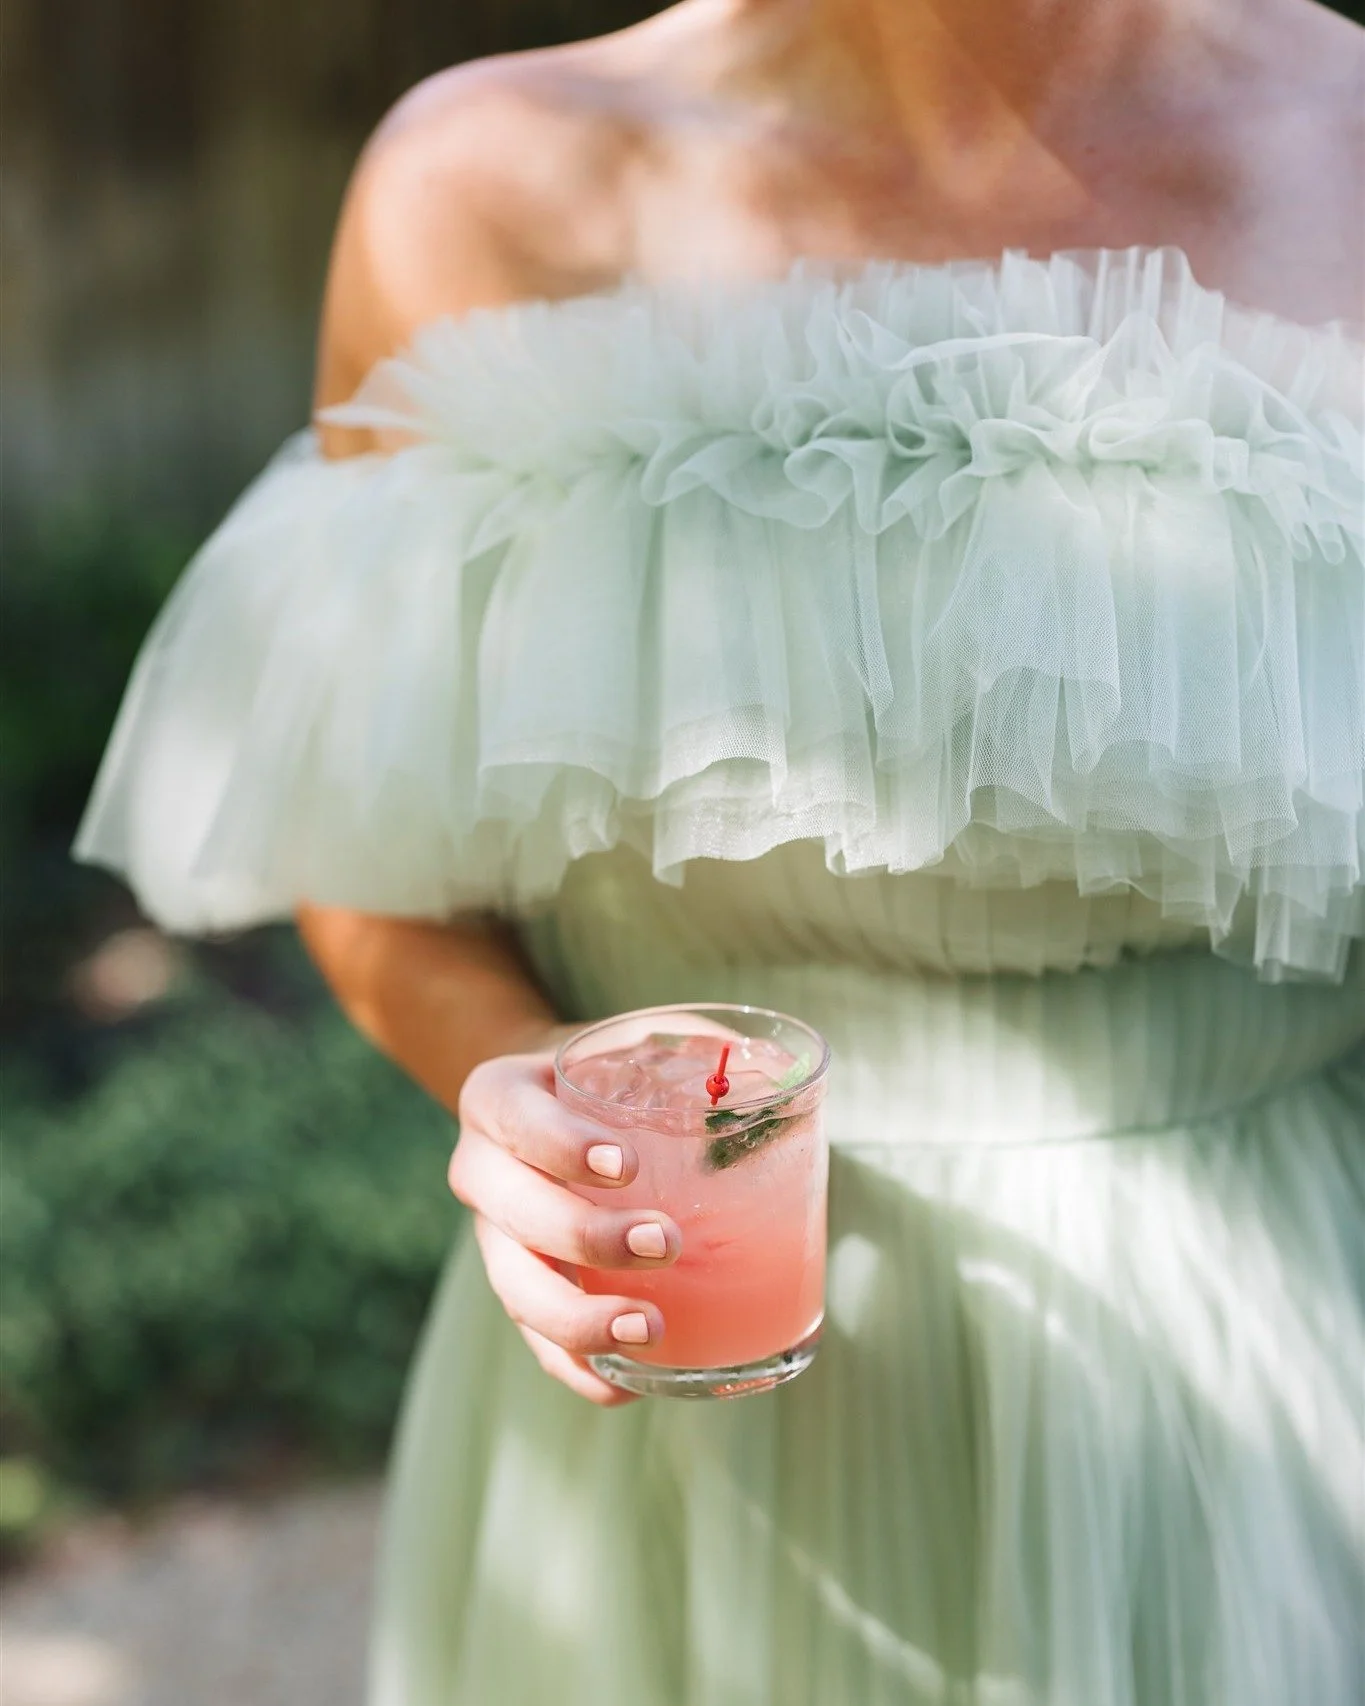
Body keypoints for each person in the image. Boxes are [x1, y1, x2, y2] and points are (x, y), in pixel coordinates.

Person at [76, 1, 1364, 1701]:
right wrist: (520, 1093)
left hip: (1276, 1388)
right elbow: (369, 850)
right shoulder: (486, 187)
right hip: (678, 1416)